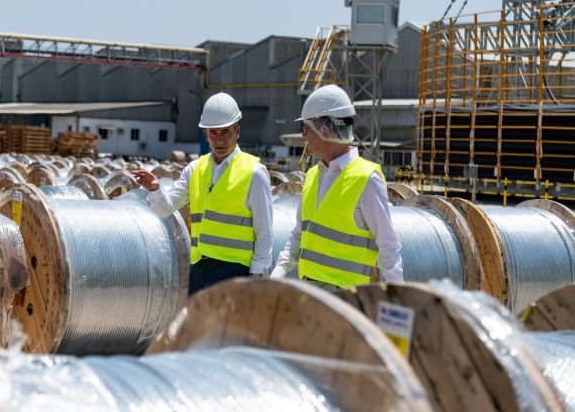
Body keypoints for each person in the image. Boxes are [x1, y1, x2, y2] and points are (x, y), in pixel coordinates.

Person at [132, 92, 273, 296]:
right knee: (199, 327)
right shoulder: (195, 169)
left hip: (235, 269)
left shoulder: (254, 173)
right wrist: (154, 188)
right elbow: (165, 209)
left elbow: (264, 230)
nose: (219, 139)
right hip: (199, 267)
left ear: (238, 132)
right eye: (213, 133)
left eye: (225, 132)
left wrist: (258, 275)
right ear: (206, 135)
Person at [270, 84, 402, 289]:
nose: (303, 135)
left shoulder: (367, 179)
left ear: (324, 129)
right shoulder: (313, 175)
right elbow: (299, 234)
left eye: (306, 128)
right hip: (309, 292)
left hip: (345, 299)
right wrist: (277, 275)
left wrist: (397, 298)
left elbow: (388, 247)